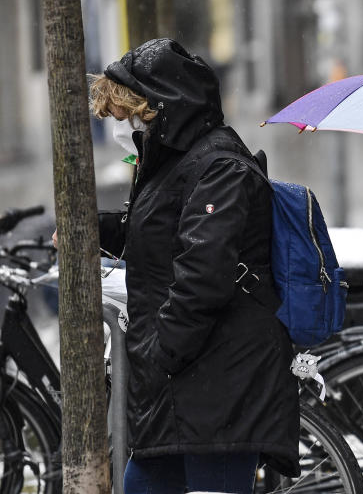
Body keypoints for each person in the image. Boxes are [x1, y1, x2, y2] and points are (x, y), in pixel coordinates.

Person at [86, 38, 298, 493]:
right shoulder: (175, 163)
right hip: (183, 384)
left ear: (159, 108)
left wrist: (163, 352)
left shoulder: (219, 166)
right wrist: (91, 229)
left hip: (217, 382)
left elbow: (204, 275)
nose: (125, 128)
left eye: (129, 115)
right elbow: (156, 236)